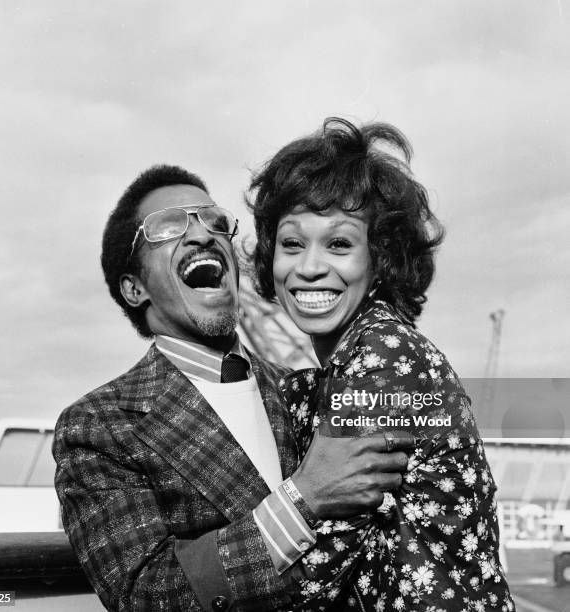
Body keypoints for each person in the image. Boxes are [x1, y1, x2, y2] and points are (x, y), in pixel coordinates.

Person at [52, 164, 413, 612]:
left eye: (213, 221)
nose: (202, 235)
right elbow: (142, 595)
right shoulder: (99, 425)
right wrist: (304, 499)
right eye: (168, 227)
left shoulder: (306, 390)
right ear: (133, 288)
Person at [247, 118, 515, 611]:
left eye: (339, 244)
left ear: (380, 259)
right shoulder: (357, 358)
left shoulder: (383, 354)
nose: (308, 267)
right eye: (291, 244)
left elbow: (323, 555)